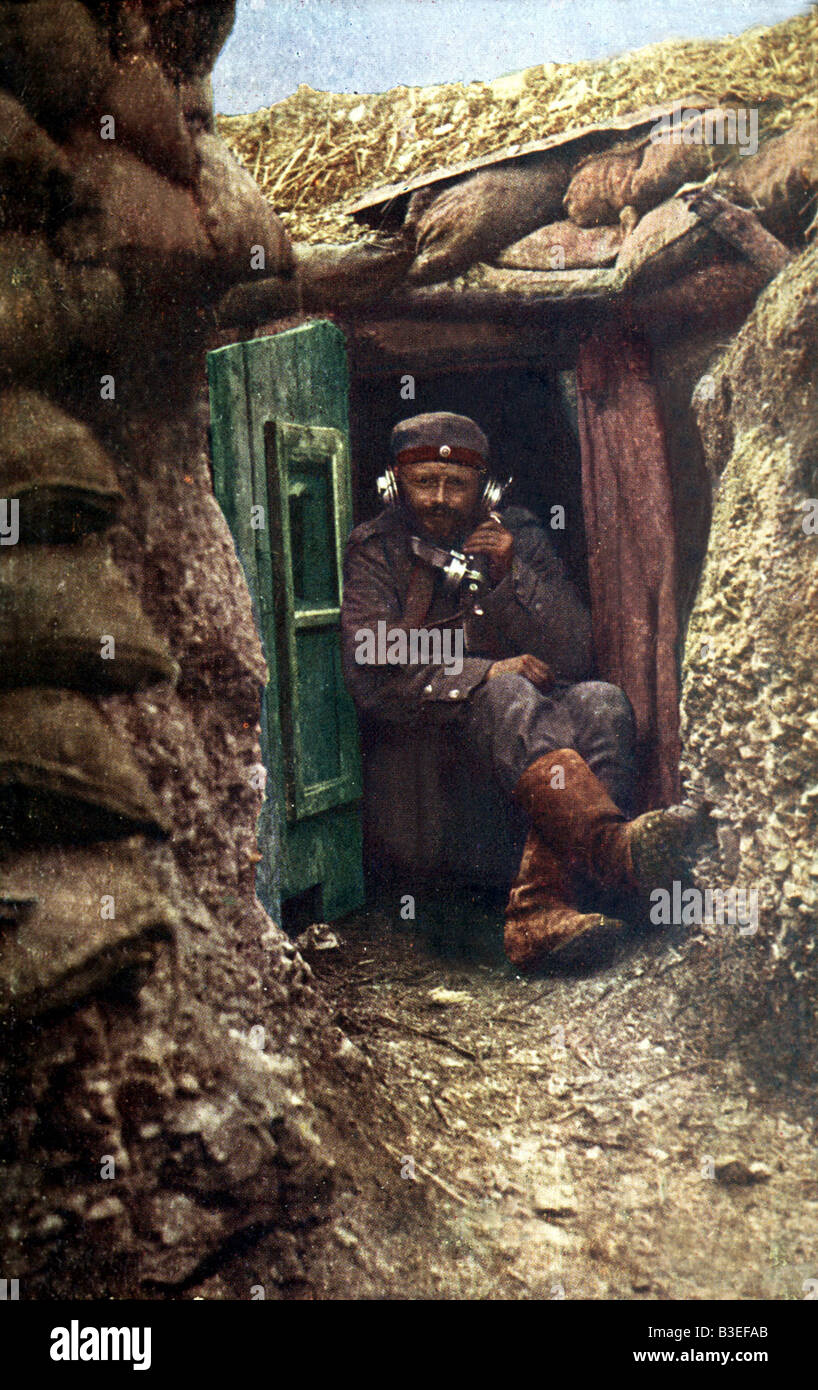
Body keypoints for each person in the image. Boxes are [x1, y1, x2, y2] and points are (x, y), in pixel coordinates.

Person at [340, 411, 700, 968]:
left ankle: (542, 911)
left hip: (524, 726)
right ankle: (614, 852)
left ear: (481, 488)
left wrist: (513, 577)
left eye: (456, 485)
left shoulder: (518, 536)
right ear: (394, 483)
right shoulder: (376, 550)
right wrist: (485, 670)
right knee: (510, 696)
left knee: (602, 701)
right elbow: (373, 655)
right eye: (423, 483)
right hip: (430, 725)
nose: (439, 498)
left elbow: (576, 649)